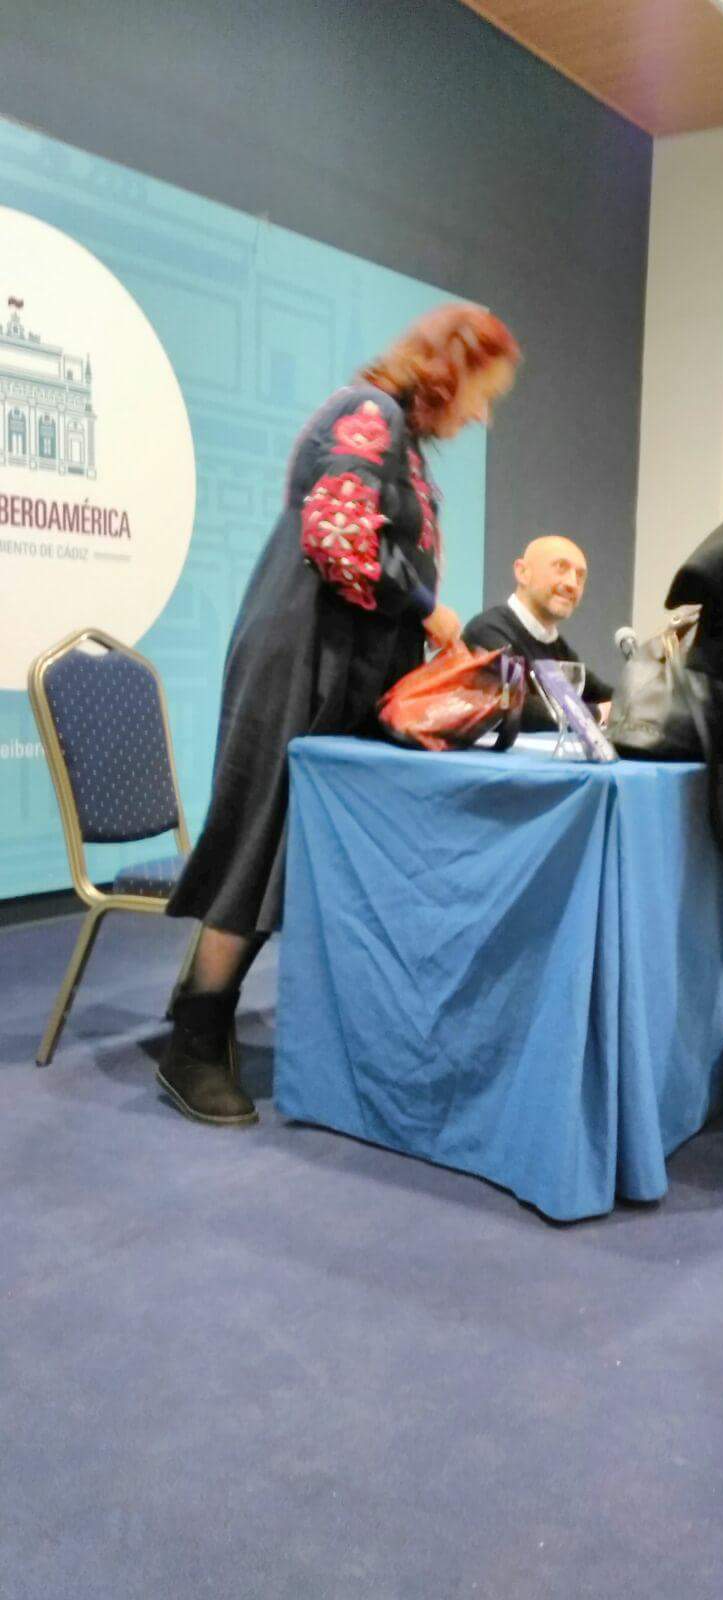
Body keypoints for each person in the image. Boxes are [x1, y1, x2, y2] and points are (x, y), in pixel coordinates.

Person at [161, 304, 521, 1127]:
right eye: (484, 393)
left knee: (306, 841)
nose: (483, 414)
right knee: (263, 837)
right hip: (301, 656)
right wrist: (429, 610)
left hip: (340, 662)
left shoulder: (399, 436)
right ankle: (194, 1039)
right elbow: (338, 538)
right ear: (451, 370)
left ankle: (213, 1014)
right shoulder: (370, 413)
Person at [463, 536, 612, 730]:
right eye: (561, 567)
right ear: (522, 572)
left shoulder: (557, 647)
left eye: (580, 576)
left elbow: (607, 696)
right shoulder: (487, 632)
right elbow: (511, 707)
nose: (572, 583)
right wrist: (597, 713)